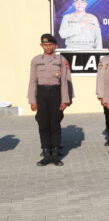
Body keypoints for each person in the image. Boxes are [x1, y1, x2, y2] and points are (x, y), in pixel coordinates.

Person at [28, 33, 72, 166]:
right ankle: (46, 153)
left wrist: (64, 99)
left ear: (55, 46)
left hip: (55, 93)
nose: (48, 47)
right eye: (45, 45)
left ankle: (55, 154)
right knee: (43, 124)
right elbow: (32, 81)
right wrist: (32, 100)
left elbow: (64, 82)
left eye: (50, 45)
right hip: (41, 94)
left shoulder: (61, 60)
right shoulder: (36, 60)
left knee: (55, 123)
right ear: (42, 46)